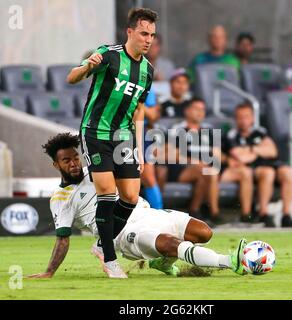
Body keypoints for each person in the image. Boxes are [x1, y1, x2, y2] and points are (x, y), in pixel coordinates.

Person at [27, 133, 247, 278]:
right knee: (172, 243)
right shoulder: (61, 198)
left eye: (75, 158)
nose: (74, 163)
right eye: (67, 161)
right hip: (123, 232)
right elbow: (62, 238)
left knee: (203, 233)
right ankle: (230, 261)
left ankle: (161, 262)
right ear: (56, 165)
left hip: (146, 212)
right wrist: (49, 272)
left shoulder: (95, 171)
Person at [66, 8, 158, 278]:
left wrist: (139, 148)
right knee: (107, 192)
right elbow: (72, 78)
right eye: (143, 33)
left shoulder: (147, 71)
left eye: (152, 34)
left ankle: (101, 243)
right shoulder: (109, 54)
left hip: (123, 137)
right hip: (95, 132)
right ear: (129, 31)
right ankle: (109, 258)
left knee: (130, 196)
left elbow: (139, 110)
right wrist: (87, 66)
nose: (148, 39)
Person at [223, 103, 292, 228]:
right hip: (252, 168)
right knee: (267, 172)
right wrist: (260, 150)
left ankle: (286, 215)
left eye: (246, 117)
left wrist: (251, 150)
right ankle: (263, 212)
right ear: (236, 119)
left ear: (252, 118)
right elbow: (240, 157)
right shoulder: (231, 136)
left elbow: (272, 151)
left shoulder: (261, 132)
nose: (243, 120)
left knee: (287, 171)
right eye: (240, 117)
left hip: (268, 163)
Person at [166, 98, 225, 225]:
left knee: (208, 173)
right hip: (180, 170)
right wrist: (194, 162)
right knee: (207, 171)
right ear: (187, 111)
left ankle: (194, 211)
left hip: (204, 170)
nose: (200, 112)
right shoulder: (178, 129)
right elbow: (171, 154)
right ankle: (214, 213)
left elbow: (218, 154)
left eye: (202, 109)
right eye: (196, 109)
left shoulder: (208, 131)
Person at [142, 89, 164, 209]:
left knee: (149, 179)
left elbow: (153, 116)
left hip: (139, 133)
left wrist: (136, 100)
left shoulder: (147, 87)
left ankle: (158, 214)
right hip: (116, 131)